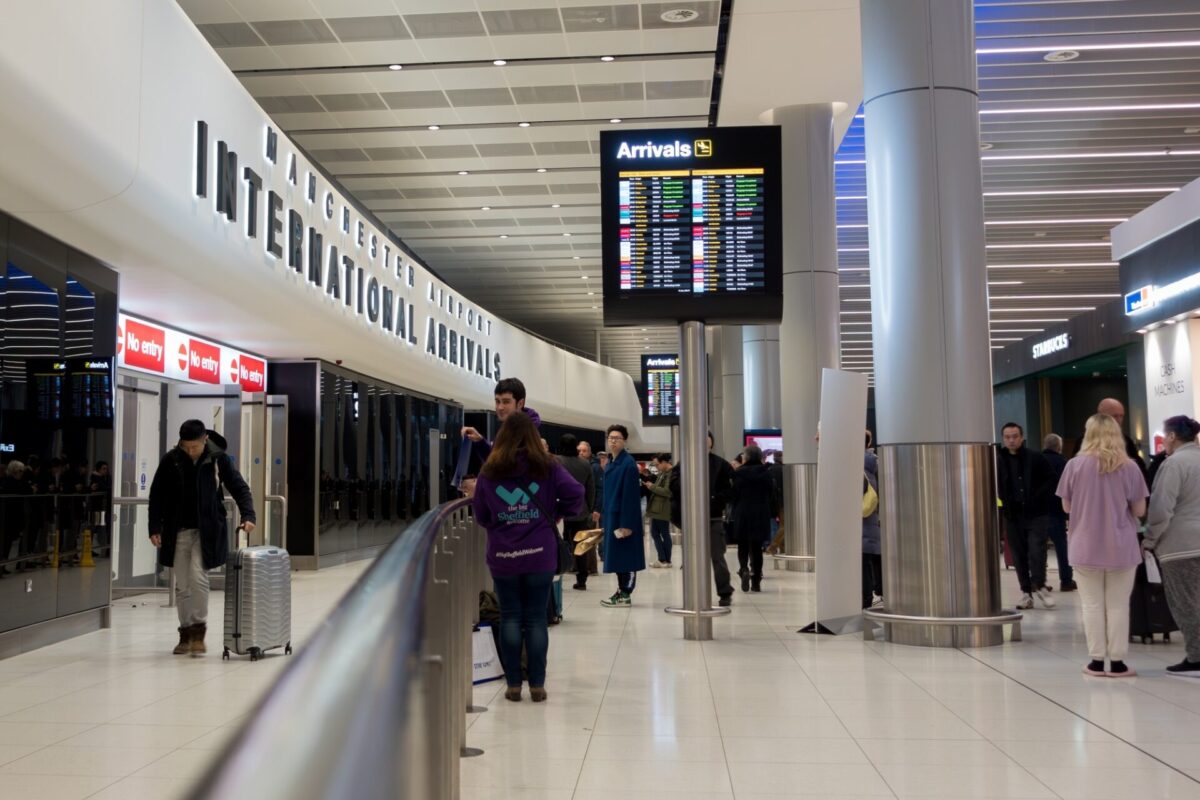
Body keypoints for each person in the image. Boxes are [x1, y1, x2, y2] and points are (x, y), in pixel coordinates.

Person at [472, 413, 584, 702]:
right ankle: (537, 684)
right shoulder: (548, 466)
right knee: (535, 619)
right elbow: (576, 494)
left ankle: (512, 685)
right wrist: (553, 514)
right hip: (539, 554)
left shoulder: (490, 471)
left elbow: (482, 515)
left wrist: (503, 524)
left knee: (510, 617)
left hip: (503, 554)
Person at [148, 420, 256, 656]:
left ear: (205, 438)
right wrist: (154, 526)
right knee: (183, 584)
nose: (190, 451)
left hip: (207, 531)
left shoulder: (218, 459)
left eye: (194, 447)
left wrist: (248, 514)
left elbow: (239, 487)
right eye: (185, 447)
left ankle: (198, 632)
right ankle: (185, 633)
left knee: (198, 576)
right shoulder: (172, 459)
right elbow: (157, 493)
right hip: (178, 531)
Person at [1057, 413, 1148, 677]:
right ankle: (1118, 663)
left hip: (1084, 546)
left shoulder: (1074, 465)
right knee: (1119, 605)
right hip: (1121, 547)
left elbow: (1066, 506)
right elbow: (1140, 509)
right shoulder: (1130, 467)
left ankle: (1096, 661)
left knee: (1092, 605)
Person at [1144, 415, 1200, 676]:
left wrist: (1150, 539)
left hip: (1181, 546)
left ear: (1172, 437)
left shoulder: (1174, 464)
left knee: (1185, 602)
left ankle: (1197, 656)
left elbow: (1161, 508)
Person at [669, 432, 736, 607]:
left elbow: (730, 491)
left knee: (717, 556)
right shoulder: (685, 463)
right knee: (692, 557)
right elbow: (673, 484)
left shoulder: (721, 464)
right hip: (691, 519)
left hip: (713, 517)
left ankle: (724, 591)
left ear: (711, 444)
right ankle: (693, 592)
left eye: (707, 441)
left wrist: (713, 499)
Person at [996, 422, 1058, 610]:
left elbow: (1051, 478)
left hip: (1036, 513)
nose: (1011, 440)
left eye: (1015, 436)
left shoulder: (1035, 458)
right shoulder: (999, 460)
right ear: (1003, 439)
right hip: (1013, 515)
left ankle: (1039, 584)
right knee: (1018, 554)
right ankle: (1026, 593)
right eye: (1007, 437)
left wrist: (1038, 497)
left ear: (1022, 437)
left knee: (1036, 550)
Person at [599, 424, 644, 607]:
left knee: (626, 556)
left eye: (617, 438)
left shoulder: (628, 464)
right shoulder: (611, 462)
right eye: (610, 438)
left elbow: (630, 497)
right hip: (612, 516)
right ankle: (620, 591)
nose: (613, 441)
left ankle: (625, 593)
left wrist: (627, 524)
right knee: (617, 557)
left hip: (623, 517)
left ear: (624, 440)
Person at [730, 445, 777, 593]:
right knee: (756, 547)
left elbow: (734, 495)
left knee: (743, 544)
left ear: (747, 457)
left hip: (743, 512)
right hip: (760, 513)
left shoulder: (738, 473)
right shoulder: (766, 473)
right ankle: (756, 580)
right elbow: (771, 493)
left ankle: (744, 569)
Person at [461, 377, 540, 462]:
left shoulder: (529, 433)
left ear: (520, 403)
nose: (500, 407)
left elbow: (504, 468)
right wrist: (479, 440)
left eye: (506, 402)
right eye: (497, 401)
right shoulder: (508, 428)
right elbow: (495, 462)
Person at [555, 434, 596, 591]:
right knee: (581, 544)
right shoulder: (585, 464)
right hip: (581, 510)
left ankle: (561, 570)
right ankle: (582, 578)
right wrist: (590, 507)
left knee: (562, 542)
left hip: (559, 510)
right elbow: (590, 489)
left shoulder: (556, 461)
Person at [1042, 434, 1076, 592]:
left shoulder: (1037, 460)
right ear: (1058, 447)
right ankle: (1066, 580)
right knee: (1061, 546)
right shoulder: (1064, 463)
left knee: (1039, 548)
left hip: (1039, 511)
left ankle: (1040, 581)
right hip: (1057, 510)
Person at [1094, 398, 1148, 480]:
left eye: (1121, 416)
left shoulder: (1126, 441)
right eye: (1115, 416)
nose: (1119, 420)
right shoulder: (1085, 441)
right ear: (1101, 417)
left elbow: (1140, 469)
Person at [862, 431, 883, 608]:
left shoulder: (857, 467)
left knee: (863, 565)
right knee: (868, 562)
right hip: (873, 521)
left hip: (861, 523)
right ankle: (870, 595)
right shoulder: (875, 464)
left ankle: (865, 599)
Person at [644, 454, 674, 568]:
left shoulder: (670, 474)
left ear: (665, 462)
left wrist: (652, 487)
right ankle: (663, 559)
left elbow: (667, 491)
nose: (657, 467)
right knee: (655, 533)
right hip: (656, 509)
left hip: (663, 509)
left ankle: (665, 559)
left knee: (664, 534)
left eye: (658, 464)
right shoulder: (662, 473)